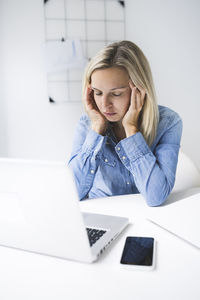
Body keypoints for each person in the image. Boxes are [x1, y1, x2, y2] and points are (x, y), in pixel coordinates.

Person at [68, 40, 182, 207]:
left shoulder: (168, 122)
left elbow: (156, 196)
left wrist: (131, 128)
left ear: (140, 89)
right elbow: (72, 193)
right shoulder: (87, 125)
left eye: (116, 94)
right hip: (103, 216)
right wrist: (97, 129)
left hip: (147, 219)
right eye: (98, 93)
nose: (105, 104)